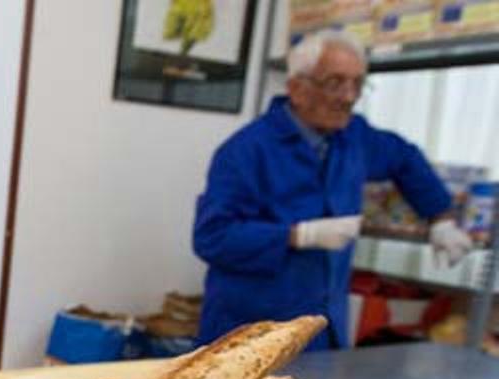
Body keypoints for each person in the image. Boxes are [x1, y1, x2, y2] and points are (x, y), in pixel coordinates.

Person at [192, 30, 474, 350]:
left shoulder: (353, 137)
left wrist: (441, 218)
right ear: (297, 88)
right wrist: (298, 235)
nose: (348, 96)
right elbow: (212, 237)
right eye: (335, 82)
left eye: (357, 84)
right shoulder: (245, 150)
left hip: (323, 331)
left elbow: (405, 159)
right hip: (251, 332)